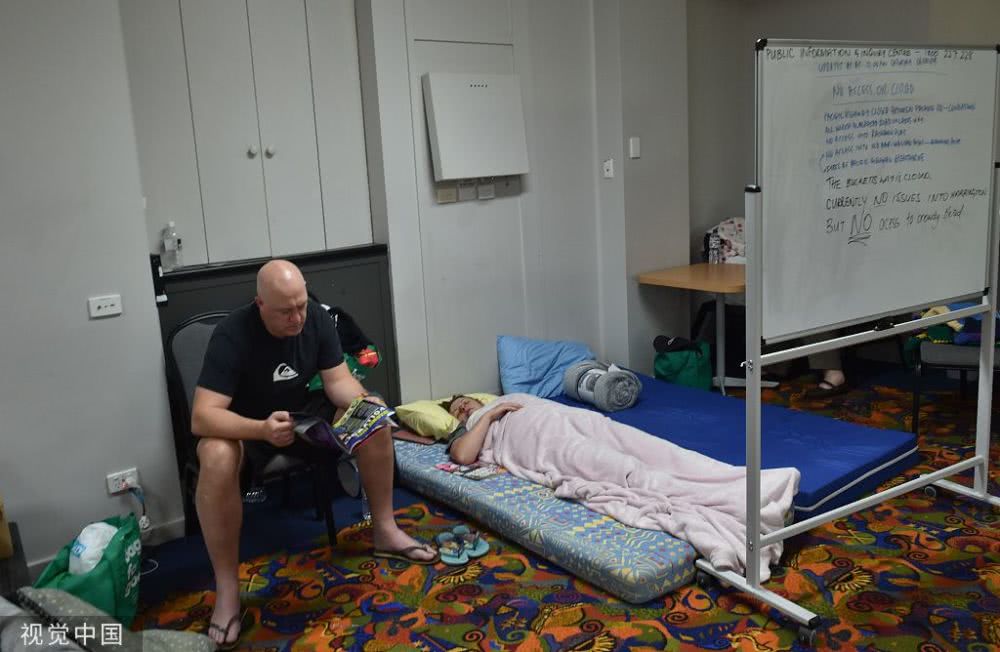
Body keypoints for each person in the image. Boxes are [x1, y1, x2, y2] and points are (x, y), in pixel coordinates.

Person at [192, 260, 436, 648]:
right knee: (216, 455)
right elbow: (203, 416)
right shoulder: (232, 334)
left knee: (371, 416)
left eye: (301, 306)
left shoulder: (316, 319)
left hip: (300, 417)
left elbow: (337, 382)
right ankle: (227, 591)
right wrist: (260, 429)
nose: (297, 318)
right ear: (260, 304)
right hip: (248, 427)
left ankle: (385, 530)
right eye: (285, 311)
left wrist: (364, 402)